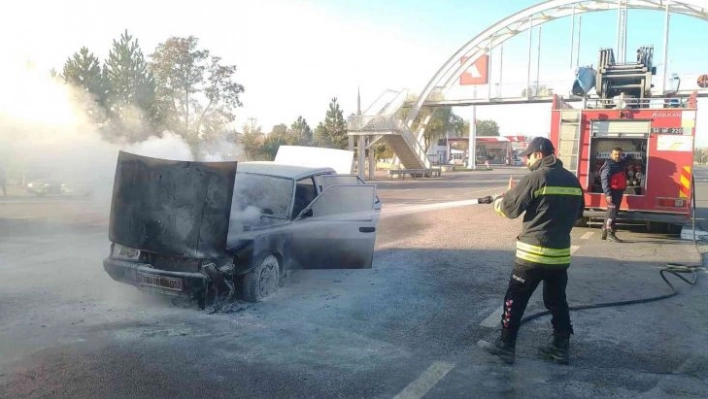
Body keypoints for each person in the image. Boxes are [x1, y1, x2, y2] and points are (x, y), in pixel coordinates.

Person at [478, 137, 585, 365]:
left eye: (527, 156)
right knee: (557, 302)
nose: (526, 160)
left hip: (531, 256)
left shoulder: (536, 177)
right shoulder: (573, 180)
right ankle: (560, 348)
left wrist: (501, 200)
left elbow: (509, 210)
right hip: (559, 257)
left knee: (515, 300)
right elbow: (578, 215)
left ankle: (505, 346)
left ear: (538, 153)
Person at [600, 147, 633, 242]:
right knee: (612, 214)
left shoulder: (619, 163)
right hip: (612, 193)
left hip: (618, 192)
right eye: (615, 154)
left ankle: (604, 231)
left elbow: (625, 160)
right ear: (611, 155)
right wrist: (608, 194)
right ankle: (610, 234)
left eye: (619, 154)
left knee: (610, 212)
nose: (618, 156)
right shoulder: (609, 165)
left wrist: (630, 156)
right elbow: (604, 180)